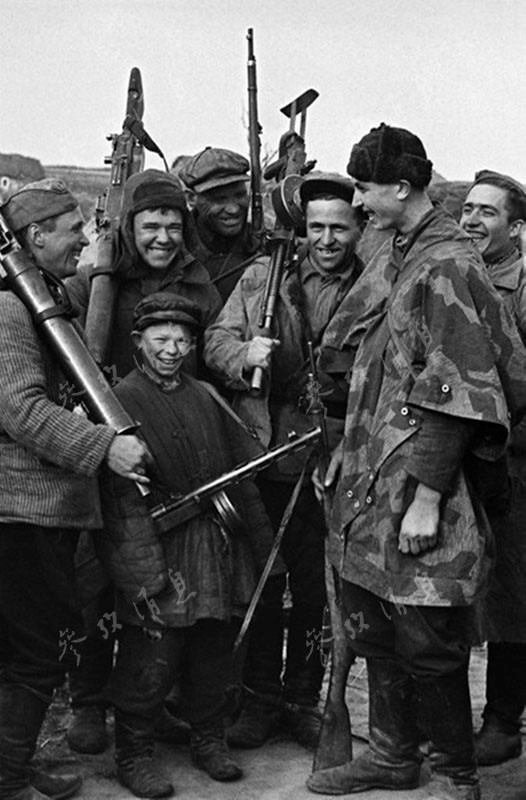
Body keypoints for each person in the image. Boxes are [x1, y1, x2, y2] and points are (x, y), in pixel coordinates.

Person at [307, 125, 526, 800]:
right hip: (374, 471)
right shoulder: (401, 249)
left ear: (401, 188)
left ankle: (455, 777)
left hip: (426, 477)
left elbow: (464, 390)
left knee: (428, 632)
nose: (361, 203)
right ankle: (393, 756)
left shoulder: (446, 264)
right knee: (375, 620)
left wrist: (428, 496)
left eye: (368, 190)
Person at [63, 168, 222, 754]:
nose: (162, 237)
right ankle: (87, 702)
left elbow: (202, 363)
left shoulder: (200, 287)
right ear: (128, 226)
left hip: (163, 449)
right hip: (93, 446)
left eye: (173, 226)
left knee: (155, 583)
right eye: (150, 225)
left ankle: (157, 707)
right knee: (92, 581)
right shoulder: (91, 281)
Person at [0, 178, 149, 800]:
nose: (86, 238)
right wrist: (104, 446)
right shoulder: (11, 307)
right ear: (37, 237)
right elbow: (19, 407)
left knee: (27, 644)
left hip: (46, 509)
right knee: (35, 647)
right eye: (72, 229)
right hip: (23, 510)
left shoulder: (45, 294)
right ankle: (7, 775)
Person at [203, 172, 364, 750]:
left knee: (318, 590)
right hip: (263, 451)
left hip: (333, 462)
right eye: (315, 227)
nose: (326, 240)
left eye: (338, 228)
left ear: (359, 227)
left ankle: (303, 699)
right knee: (263, 582)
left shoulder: (377, 285)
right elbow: (214, 343)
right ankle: (259, 698)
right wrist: (244, 353)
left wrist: (346, 439)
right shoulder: (263, 279)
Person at [94, 292, 277, 797]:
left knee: (213, 650)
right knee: (151, 656)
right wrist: (142, 571)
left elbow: (243, 479)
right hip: (159, 548)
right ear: (137, 341)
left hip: (217, 546)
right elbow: (118, 500)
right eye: (161, 339)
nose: (172, 349)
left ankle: (208, 740)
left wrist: (263, 554)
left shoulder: (206, 394)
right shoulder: (117, 400)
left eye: (182, 339)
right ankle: (133, 754)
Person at [460, 170, 526, 765]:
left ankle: (503, 721)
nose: (474, 221)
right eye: (469, 209)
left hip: (512, 460)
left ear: (516, 227)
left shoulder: (523, 287)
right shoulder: (456, 272)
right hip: (455, 454)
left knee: (511, 597)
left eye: (489, 213)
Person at [180, 147, 261, 302]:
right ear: (191, 199)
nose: (233, 209)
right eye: (219, 199)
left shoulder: (263, 247)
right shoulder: (174, 248)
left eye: (239, 195)